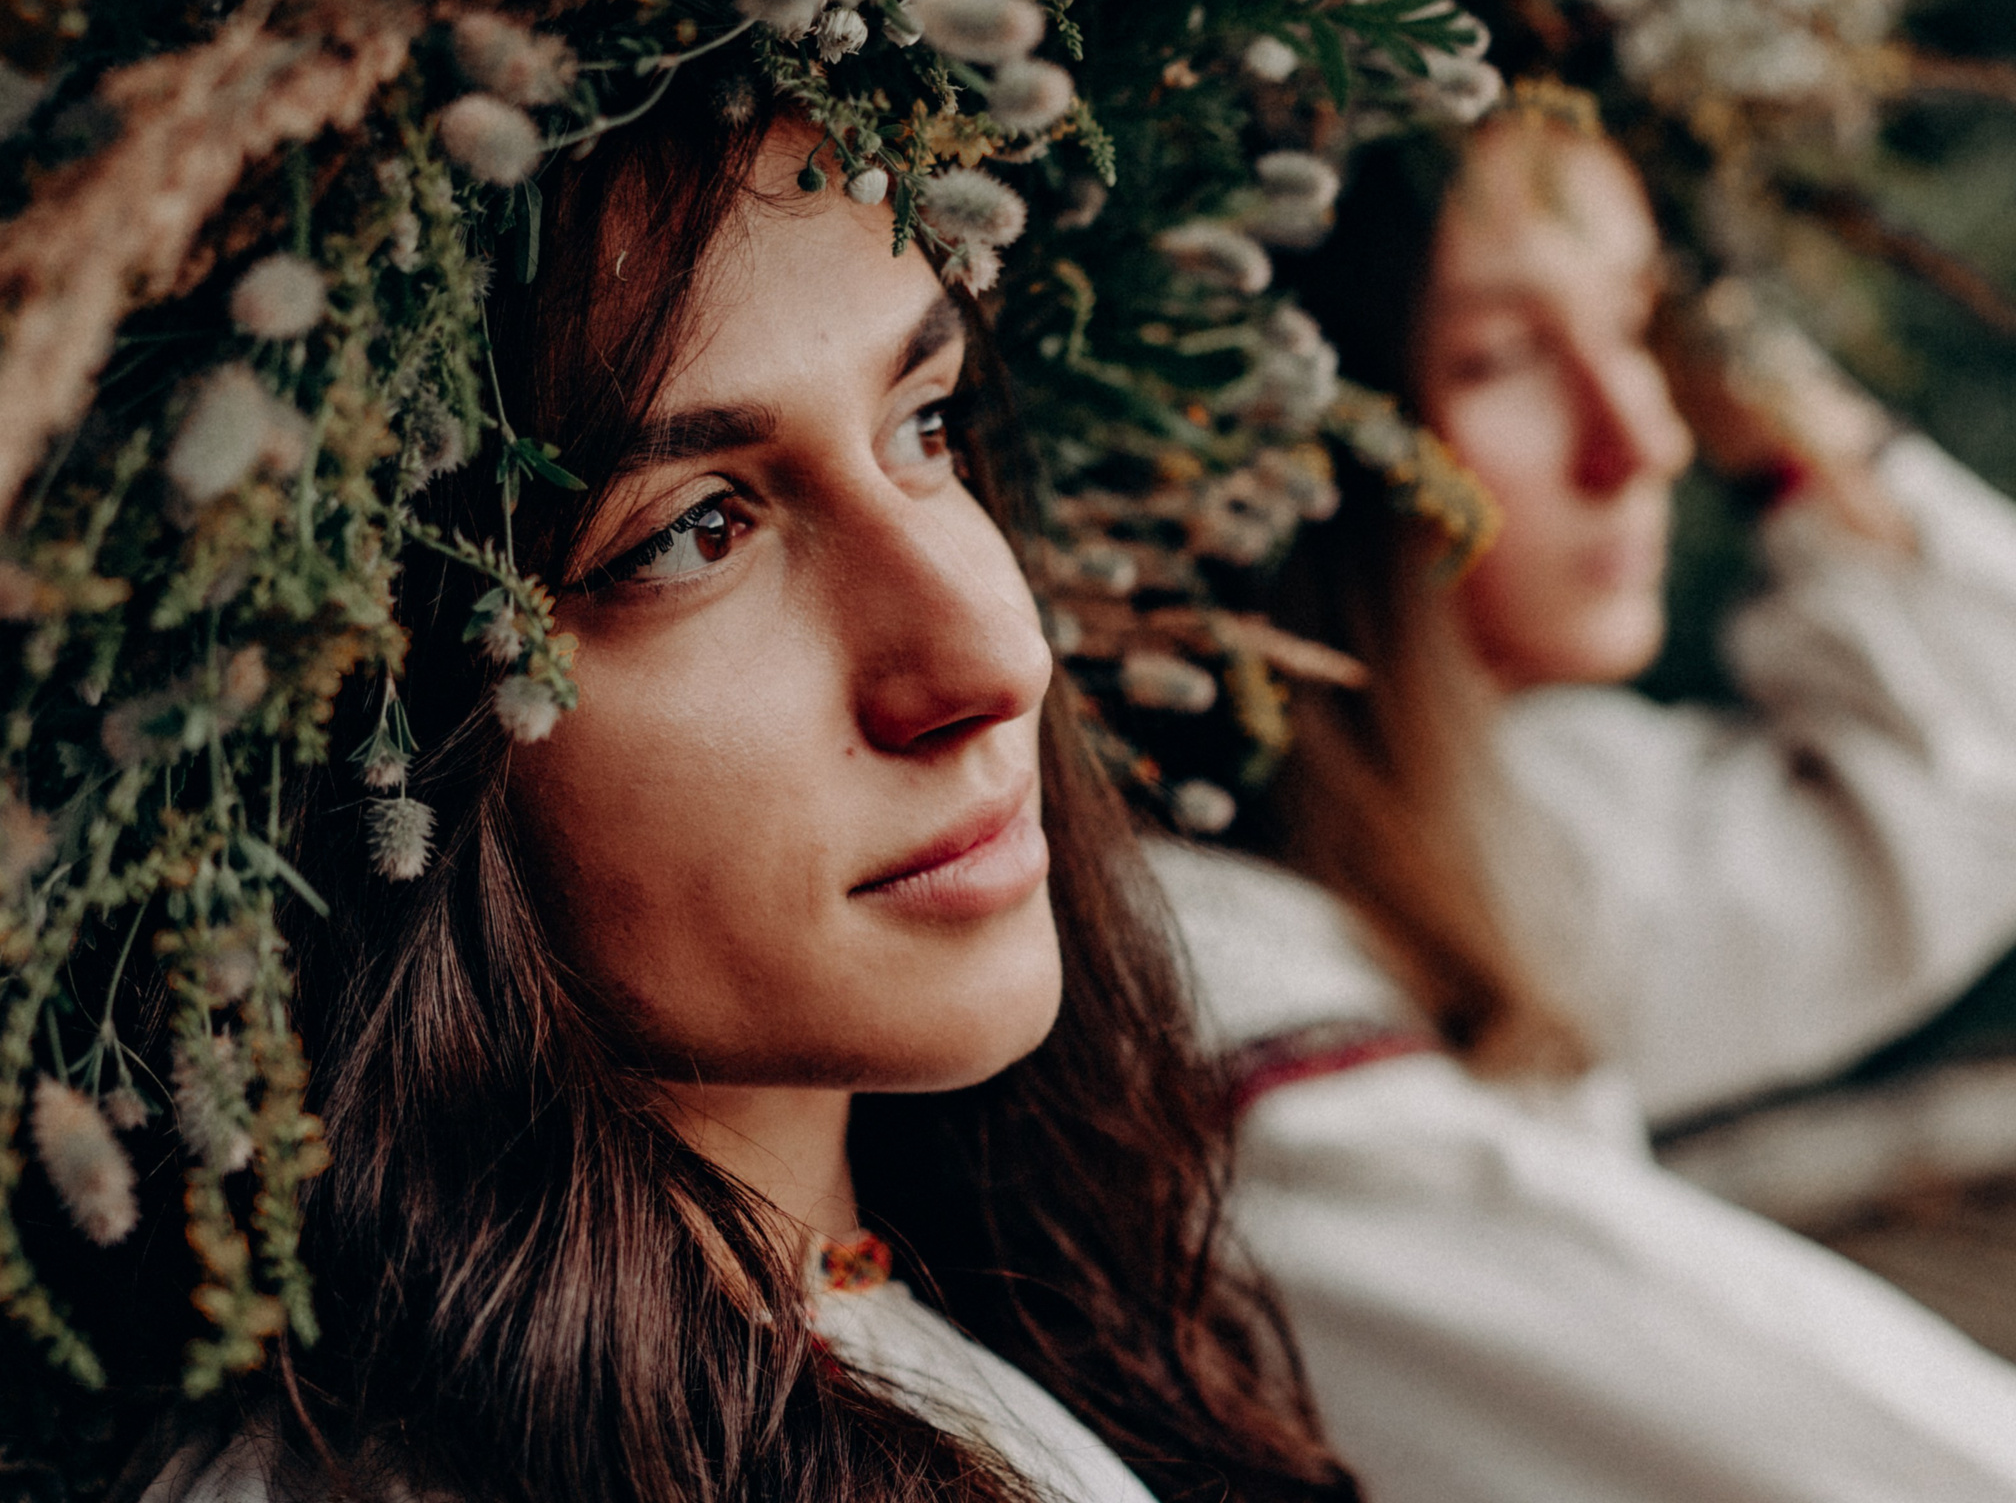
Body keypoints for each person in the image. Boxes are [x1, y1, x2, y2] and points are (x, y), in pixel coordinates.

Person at [133, 89, 1358, 1503]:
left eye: (927, 422)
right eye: (695, 533)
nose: (991, 657)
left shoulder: (930, 1307)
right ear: (364, 727)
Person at [1149, 88, 2016, 1502]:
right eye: (1499, 359)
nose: (1648, 438)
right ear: (1253, 431)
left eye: (1642, 330)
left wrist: (1771, 407)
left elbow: (1976, 770)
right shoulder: (1227, 1017)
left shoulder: (1504, 825)